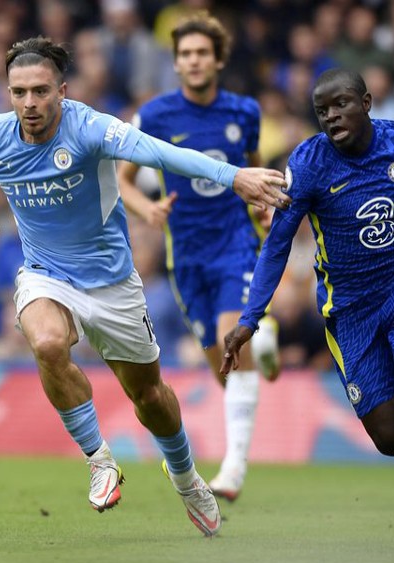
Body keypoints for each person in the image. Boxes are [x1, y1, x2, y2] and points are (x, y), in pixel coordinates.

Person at [0, 37, 289, 537]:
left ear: (61, 90)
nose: (30, 103)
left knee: (149, 397)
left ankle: (189, 480)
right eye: (19, 92)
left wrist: (233, 176)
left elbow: (162, 154)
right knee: (45, 342)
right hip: (46, 273)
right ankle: (100, 460)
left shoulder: (90, 129)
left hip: (112, 283)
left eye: (41, 91)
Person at [220, 68, 394, 549]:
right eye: (322, 111)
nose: (331, 116)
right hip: (349, 310)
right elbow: (277, 247)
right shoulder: (307, 164)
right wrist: (249, 319)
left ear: (367, 102)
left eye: (341, 104)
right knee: (390, 439)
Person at [117, 12, 280, 502]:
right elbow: (122, 180)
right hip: (185, 257)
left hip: (235, 244)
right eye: (185, 54)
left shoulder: (244, 112)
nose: (193, 61)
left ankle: (232, 470)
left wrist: (261, 203)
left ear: (218, 59)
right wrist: (148, 209)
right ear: (176, 63)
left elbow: (253, 171)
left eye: (201, 53)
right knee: (224, 368)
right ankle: (265, 339)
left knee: (233, 340)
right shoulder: (156, 116)